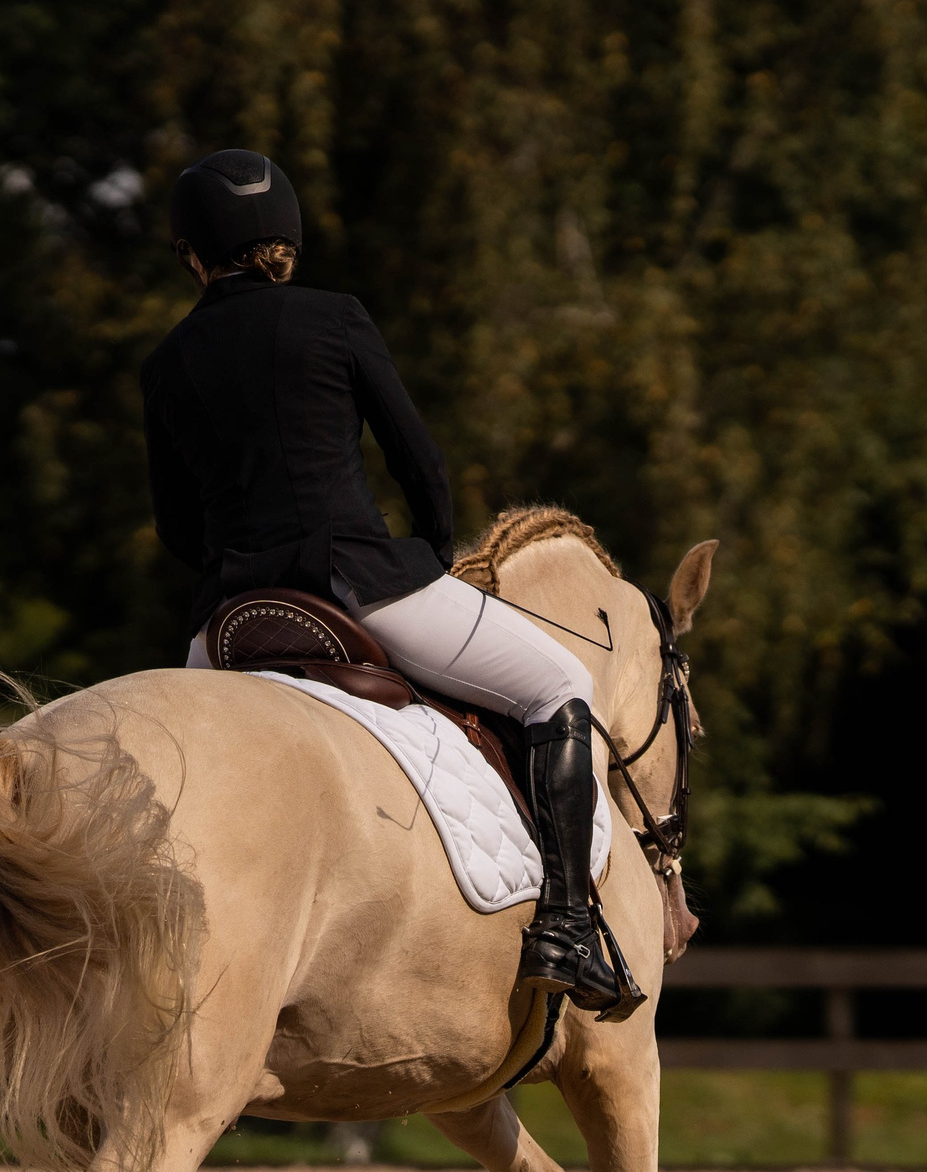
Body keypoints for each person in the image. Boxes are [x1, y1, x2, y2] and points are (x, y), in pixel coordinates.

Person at [140, 148, 629, 1014]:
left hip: (232, 619)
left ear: (192, 253)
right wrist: (434, 556)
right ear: (285, 239)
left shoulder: (167, 362)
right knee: (562, 683)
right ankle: (564, 926)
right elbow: (418, 459)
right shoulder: (334, 318)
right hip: (363, 584)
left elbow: (181, 530)